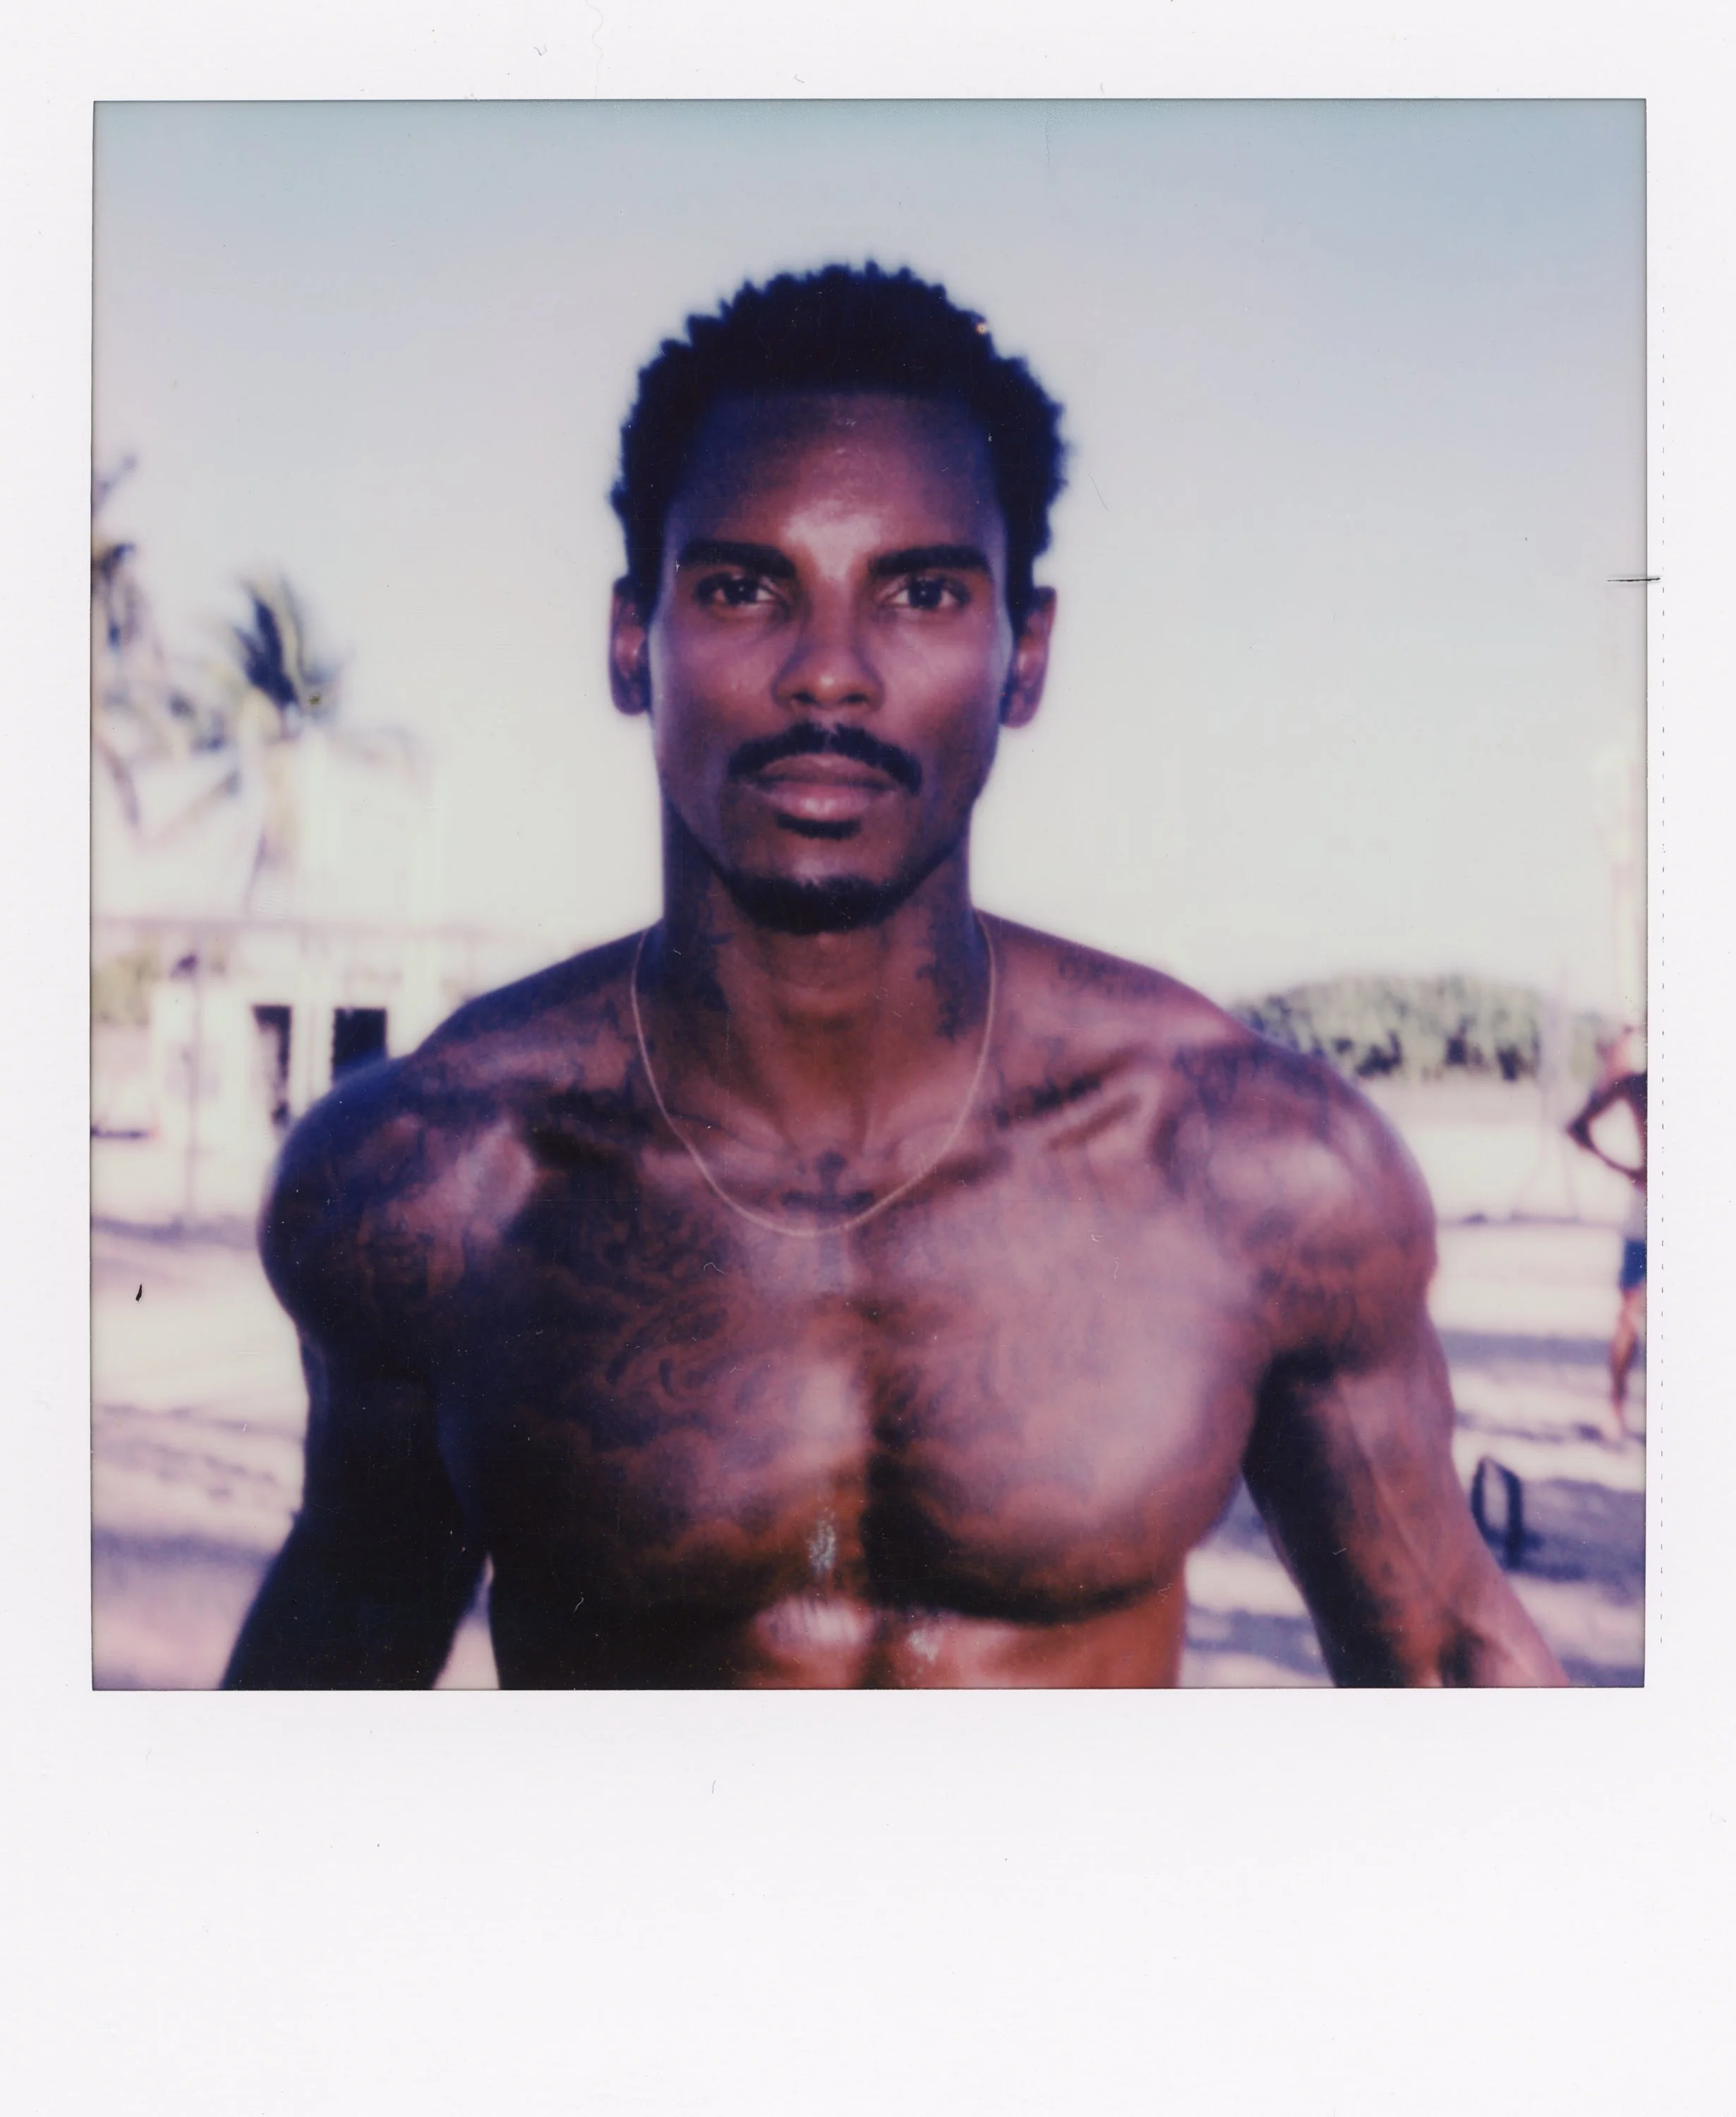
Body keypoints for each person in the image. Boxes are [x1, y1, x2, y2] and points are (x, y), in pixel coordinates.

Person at [225, 265, 1564, 1688]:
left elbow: (1444, 1659)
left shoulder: (1253, 1166)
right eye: (742, 588)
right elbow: (325, 1695)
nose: (830, 673)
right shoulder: (441, 1180)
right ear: (632, 643)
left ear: (1024, 658)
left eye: (922, 593)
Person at [1566, 1026, 1647, 1440]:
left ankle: (1615, 1410)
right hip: (1646, 1214)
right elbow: (1577, 1126)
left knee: (1629, 1314)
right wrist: (1628, 1170)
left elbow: (1578, 1127)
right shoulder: (1636, 1085)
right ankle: (1614, 1408)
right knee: (1629, 1313)